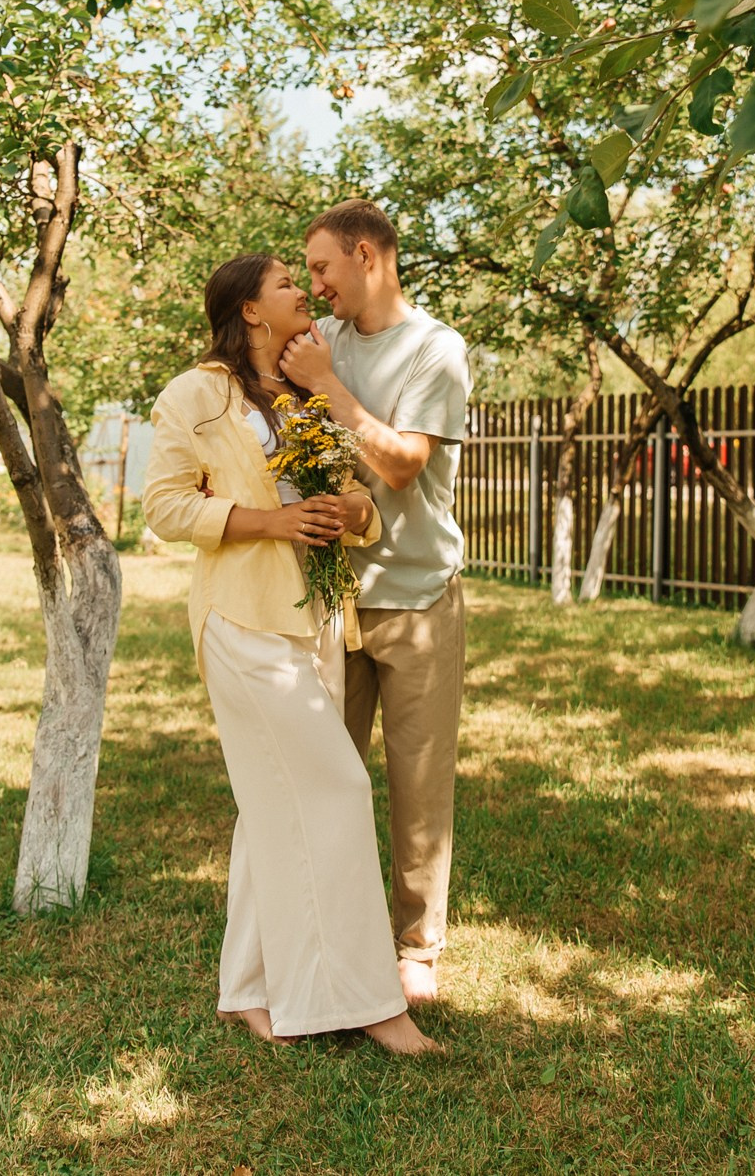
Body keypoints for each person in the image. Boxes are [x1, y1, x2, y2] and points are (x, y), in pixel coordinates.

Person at [142, 252, 439, 1054]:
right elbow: (166, 506)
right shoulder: (194, 395)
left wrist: (347, 511)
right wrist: (270, 521)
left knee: (269, 807)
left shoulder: (307, 396)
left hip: (316, 625)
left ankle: (247, 990)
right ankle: (372, 1002)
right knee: (340, 787)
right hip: (242, 623)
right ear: (248, 311)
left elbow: (365, 510)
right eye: (286, 284)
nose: (303, 293)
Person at [279, 199, 472, 1008]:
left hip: (417, 596)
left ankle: (415, 946)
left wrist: (326, 385)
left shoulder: (435, 348)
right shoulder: (322, 347)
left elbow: (400, 467)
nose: (314, 284)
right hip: (331, 598)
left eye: (321, 266)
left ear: (367, 255)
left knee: (418, 781)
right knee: (326, 773)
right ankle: (331, 930)